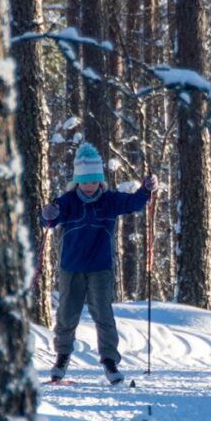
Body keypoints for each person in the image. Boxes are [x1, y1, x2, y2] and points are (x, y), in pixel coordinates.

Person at [41, 141, 158, 384]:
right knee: (66, 314)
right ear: (77, 182)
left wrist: (146, 190)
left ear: (100, 180)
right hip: (71, 268)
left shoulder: (109, 200)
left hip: (100, 268)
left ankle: (109, 360)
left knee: (103, 314)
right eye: (85, 182)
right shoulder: (68, 201)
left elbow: (133, 203)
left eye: (94, 181)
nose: (90, 186)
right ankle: (62, 357)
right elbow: (49, 219)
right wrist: (47, 214)